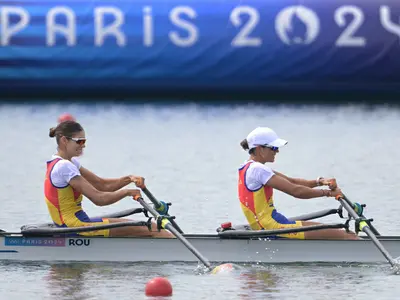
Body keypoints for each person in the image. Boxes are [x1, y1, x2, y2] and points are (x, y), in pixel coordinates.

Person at [44, 120, 173, 238]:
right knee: (154, 228)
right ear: (64, 140)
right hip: (77, 227)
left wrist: (129, 178)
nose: (83, 145)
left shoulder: (65, 162)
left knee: (145, 228)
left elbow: (102, 185)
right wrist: (127, 192)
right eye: (79, 141)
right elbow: (99, 199)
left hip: (73, 225)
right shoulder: (64, 166)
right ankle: (181, 253)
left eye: (84, 141)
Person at [238, 127, 359, 240]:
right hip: (272, 228)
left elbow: (292, 181)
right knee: (348, 236)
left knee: (344, 233)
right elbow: (296, 191)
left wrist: (320, 182)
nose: (277, 151)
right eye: (274, 148)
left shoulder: (249, 167)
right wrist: (328, 193)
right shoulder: (258, 170)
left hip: (270, 224)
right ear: (260, 149)